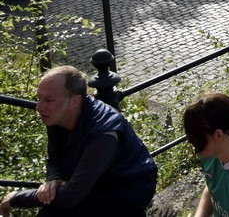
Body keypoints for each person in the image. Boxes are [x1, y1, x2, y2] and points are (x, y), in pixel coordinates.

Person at [0, 66, 156, 217]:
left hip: (126, 190)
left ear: (75, 101)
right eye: (38, 98)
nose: (39, 107)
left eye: (48, 100)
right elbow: (54, 159)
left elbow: (70, 197)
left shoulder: (104, 134)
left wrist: (16, 198)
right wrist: (52, 179)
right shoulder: (58, 115)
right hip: (93, 183)